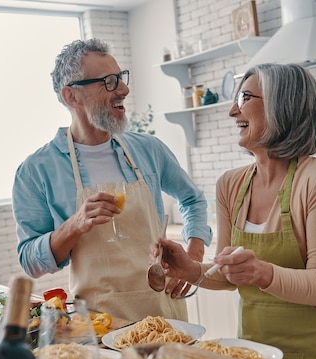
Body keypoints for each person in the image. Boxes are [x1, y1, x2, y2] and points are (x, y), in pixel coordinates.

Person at [153, 63, 316, 359]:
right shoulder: (230, 185)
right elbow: (228, 276)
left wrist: (262, 272)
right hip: (253, 354)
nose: (232, 111)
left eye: (245, 97)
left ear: (282, 106)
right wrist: (190, 270)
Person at [12, 38, 212, 322]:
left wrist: (194, 253)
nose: (124, 89)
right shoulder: (36, 171)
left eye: (120, 77)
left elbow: (192, 199)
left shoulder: (148, 149)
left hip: (166, 316)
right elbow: (30, 262)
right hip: (99, 326)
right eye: (108, 81)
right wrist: (73, 226)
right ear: (72, 97)